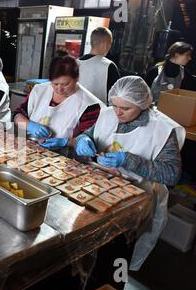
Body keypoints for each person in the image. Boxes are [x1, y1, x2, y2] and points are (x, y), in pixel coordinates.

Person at [74, 76, 185, 271]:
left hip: (136, 198)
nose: (118, 112)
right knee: (88, 249)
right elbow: (89, 134)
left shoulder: (161, 129)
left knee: (116, 254)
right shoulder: (108, 114)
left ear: (143, 104)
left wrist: (128, 160)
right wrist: (83, 139)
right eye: (115, 105)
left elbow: (171, 174)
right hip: (98, 187)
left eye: (125, 109)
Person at [14, 55, 105, 150]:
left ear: (76, 78)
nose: (59, 89)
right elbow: (18, 115)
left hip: (66, 157)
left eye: (65, 84)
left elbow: (88, 140)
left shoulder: (88, 104)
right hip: (31, 149)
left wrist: (66, 142)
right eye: (55, 83)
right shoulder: (39, 91)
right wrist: (29, 125)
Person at [77, 27, 120, 104]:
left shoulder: (75, 63)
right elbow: (118, 96)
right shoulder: (109, 66)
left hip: (75, 111)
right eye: (110, 43)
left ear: (91, 42)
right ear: (105, 44)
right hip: (99, 114)